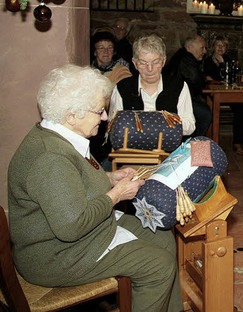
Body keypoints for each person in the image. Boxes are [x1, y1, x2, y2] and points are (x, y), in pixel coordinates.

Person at [7, 64, 183, 312]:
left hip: (80, 237)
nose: (104, 117)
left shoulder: (58, 137)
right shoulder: (50, 159)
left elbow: (74, 181)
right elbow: (72, 226)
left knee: (161, 234)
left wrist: (110, 178)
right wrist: (117, 194)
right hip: (58, 256)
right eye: (99, 110)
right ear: (72, 115)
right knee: (158, 265)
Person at [110, 34, 196, 137]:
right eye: (143, 63)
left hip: (168, 150)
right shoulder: (122, 88)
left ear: (163, 61)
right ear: (135, 63)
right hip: (131, 150)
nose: (150, 69)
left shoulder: (178, 86)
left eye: (155, 62)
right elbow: (113, 127)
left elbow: (190, 126)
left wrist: (158, 125)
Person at [89, 31, 132, 170]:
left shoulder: (122, 71)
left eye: (109, 48)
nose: (106, 52)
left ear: (114, 52)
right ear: (95, 52)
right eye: (101, 48)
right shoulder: (88, 71)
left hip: (111, 119)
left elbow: (119, 96)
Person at [163, 34, 212, 138]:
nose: (205, 51)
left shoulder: (182, 55)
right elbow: (197, 81)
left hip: (177, 97)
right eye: (202, 48)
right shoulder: (186, 59)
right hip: (175, 101)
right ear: (190, 48)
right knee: (205, 114)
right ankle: (190, 143)